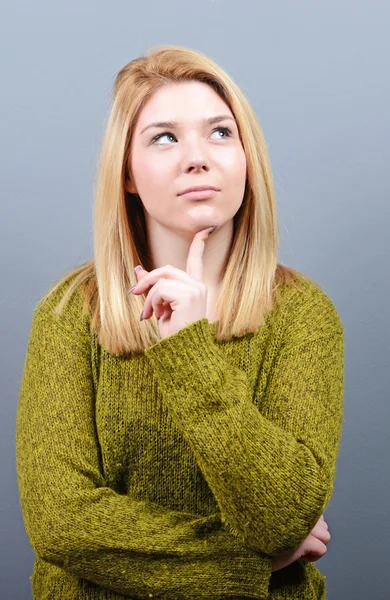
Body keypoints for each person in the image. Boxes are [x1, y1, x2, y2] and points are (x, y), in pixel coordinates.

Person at [15, 45, 345, 599]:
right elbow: (60, 522)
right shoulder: (70, 311)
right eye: (164, 137)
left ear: (246, 157)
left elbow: (283, 517)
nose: (198, 157)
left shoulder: (303, 314)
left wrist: (189, 349)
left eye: (220, 133)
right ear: (127, 175)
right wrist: (244, 566)